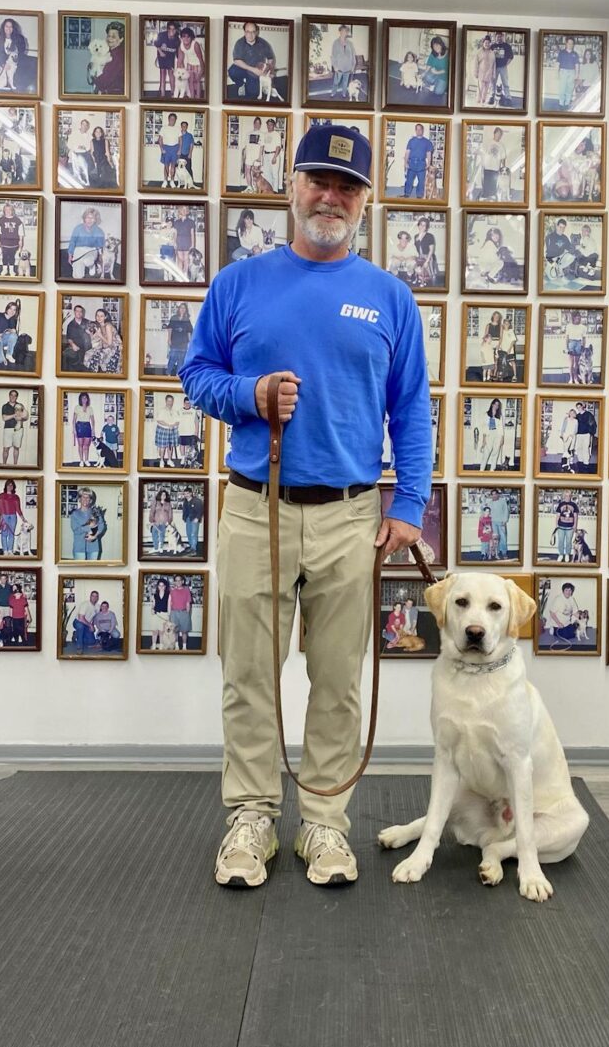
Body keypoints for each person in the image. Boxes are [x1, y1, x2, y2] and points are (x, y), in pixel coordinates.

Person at [179, 123, 430, 889]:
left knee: (337, 678)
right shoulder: (238, 284)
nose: (332, 196)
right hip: (256, 507)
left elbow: (411, 409)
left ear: (365, 201)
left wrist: (410, 503)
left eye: (348, 186)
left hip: (352, 513)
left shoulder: (390, 297)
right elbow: (195, 375)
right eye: (319, 180)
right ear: (292, 186)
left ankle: (324, 824)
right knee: (248, 671)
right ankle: (250, 818)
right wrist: (248, 395)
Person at [228, 21, 275, 101]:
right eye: (248, 32)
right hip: (243, 68)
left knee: (254, 93)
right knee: (232, 71)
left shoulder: (263, 43)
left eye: (253, 32)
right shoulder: (239, 43)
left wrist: (270, 71)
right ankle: (241, 84)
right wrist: (253, 69)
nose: (250, 35)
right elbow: (236, 61)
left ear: (256, 32)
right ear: (244, 32)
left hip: (256, 71)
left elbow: (271, 58)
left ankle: (262, 86)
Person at [66, 207, 105, 280]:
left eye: (92, 218)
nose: (89, 220)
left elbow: (100, 247)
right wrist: (70, 255)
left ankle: (92, 266)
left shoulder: (99, 231)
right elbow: (72, 242)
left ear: (96, 219)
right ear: (84, 218)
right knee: (77, 273)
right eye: (88, 217)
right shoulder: (78, 228)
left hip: (92, 250)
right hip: (79, 250)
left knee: (88, 261)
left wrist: (100, 261)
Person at [70, 486, 107, 561]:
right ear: (79, 499)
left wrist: (95, 536)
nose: (85, 499)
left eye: (88, 497)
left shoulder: (95, 512)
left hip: (94, 547)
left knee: (92, 570)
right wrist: (90, 527)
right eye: (83, 497)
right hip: (79, 547)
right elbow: (76, 530)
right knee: (79, 570)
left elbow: (102, 525)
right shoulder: (74, 514)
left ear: (90, 500)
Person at [0, 18, 32, 93]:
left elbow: (21, 53)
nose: (8, 28)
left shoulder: (19, 38)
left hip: (16, 63)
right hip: (1, 64)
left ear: (14, 28)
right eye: (6, 26)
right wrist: (3, 64)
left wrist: (14, 63)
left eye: (11, 26)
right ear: (3, 27)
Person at [92, 21, 125, 96]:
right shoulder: (109, 51)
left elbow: (105, 80)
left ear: (121, 39)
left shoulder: (118, 55)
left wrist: (94, 79)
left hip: (112, 95)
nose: (109, 39)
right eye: (108, 36)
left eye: (113, 37)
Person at [84, 308, 122, 374]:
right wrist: (90, 334)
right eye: (97, 315)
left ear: (105, 317)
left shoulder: (108, 326)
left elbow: (110, 343)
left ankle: (96, 374)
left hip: (115, 348)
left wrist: (100, 335)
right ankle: (93, 374)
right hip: (105, 347)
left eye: (101, 316)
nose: (99, 318)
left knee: (96, 356)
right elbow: (94, 339)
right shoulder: (98, 325)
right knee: (88, 354)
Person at [402, 123, 433, 199]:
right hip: (411, 163)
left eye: (420, 129)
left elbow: (429, 154)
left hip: (421, 164)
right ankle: (406, 194)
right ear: (415, 130)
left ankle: (419, 196)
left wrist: (428, 164)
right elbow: (407, 152)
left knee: (421, 182)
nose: (419, 131)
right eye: (417, 129)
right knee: (409, 180)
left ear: (423, 130)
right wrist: (405, 163)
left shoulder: (427, 142)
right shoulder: (411, 141)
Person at [177, 26, 205, 100]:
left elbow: (201, 59)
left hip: (198, 63)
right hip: (189, 64)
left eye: (188, 37)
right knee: (190, 81)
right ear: (181, 38)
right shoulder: (181, 46)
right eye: (184, 37)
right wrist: (179, 74)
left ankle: (198, 98)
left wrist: (202, 70)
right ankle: (192, 97)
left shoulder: (195, 45)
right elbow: (180, 61)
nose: (186, 39)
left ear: (191, 37)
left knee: (197, 80)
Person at [0, 201, 24, 277]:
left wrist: (20, 240)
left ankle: (12, 270)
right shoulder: (1, 220)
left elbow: (20, 232)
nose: (8, 211)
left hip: (14, 242)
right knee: (5, 256)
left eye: (9, 210)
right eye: (6, 210)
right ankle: (4, 269)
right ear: (4, 211)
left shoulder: (17, 220)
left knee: (12, 256)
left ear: (12, 211)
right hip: (4, 242)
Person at [166, 302, 193, 376]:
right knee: (172, 359)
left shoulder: (187, 319)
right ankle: (168, 374)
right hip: (174, 342)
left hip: (183, 343)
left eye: (184, 308)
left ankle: (178, 375)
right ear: (179, 309)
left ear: (186, 310)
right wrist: (169, 339)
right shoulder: (174, 317)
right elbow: (170, 328)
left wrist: (189, 341)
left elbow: (189, 331)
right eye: (181, 308)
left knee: (181, 361)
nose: (182, 309)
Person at [0, 388, 26, 466]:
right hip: (7, 429)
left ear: (16, 397)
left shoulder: (20, 406)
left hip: (18, 429)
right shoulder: (5, 406)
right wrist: (14, 415)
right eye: (11, 395)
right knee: (5, 448)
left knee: (16, 448)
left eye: (15, 396)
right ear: (9, 396)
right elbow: (4, 418)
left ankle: (15, 465)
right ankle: (4, 465)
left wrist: (22, 418)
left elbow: (25, 417)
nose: (13, 397)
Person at [0, 478, 23, 555]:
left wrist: (23, 519)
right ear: (6, 486)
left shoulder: (16, 497)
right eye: (8, 485)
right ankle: (5, 550)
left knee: (11, 534)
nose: (10, 486)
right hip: (4, 516)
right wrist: (0, 516)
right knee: (4, 534)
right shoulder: (2, 495)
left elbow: (18, 509)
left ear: (13, 487)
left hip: (13, 517)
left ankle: (10, 550)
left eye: (11, 485)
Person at [154, 20, 180, 98]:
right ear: (167, 29)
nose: (172, 31)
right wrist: (160, 52)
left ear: (176, 30)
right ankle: (162, 93)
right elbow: (156, 44)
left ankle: (173, 93)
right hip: (162, 55)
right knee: (162, 73)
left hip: (170, 57)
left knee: (171, 74)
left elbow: (178, 52)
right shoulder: (162, 35)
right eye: (170, 29)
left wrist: (179, 62)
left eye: (174, 29)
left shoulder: (177, 39)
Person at [330, 25, 356, 99]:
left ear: (347, 33)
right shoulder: (335, 42)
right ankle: (333, 92)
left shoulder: (350, 43)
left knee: (345, 82)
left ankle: (344, 93)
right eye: (342, 31)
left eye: (345, 31)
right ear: (340, 32)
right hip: (339, 66)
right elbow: (333, 55)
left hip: (348, 66)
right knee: (336, 82)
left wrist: (353, 66)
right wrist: (335, 66)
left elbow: (353, 55)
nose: (344, 32)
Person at [154, 393, 180, 468]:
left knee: (170, 446)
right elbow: (159, 420)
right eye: (168, 401)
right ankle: (161, 460)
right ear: (166, 401)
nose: (170, 403)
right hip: (163, 430)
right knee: (162, 447)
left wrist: (173, 425)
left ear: (173, 402)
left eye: (171, 401)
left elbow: (178, 421)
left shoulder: (174, 411)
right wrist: (168, 425)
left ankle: (169, 460)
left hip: (172, 430)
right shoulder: (162, 410)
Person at [168, 573, 193, 650]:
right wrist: (169, 614)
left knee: (184, 631)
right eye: (176, 581)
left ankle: (184, 647)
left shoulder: (186, 590)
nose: (178, 582)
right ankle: (177, 646)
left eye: (179, 580)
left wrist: (187, 614)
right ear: (174, 582)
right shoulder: (172, 591)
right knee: (175, 631)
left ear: (182, 581)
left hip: (184, 612)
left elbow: (188, 603)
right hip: (174, 613)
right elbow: (169, 603)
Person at [66, 117, 93, 187]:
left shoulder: (89, 135)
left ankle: (83, 182)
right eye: (83, 124)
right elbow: (69, 144)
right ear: (80, 125)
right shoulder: (73, 133)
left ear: (88, 127)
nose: (84, 126)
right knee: (74, 172)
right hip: (74, 153)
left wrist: (85, 148)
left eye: (86, 125)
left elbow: (90, 146)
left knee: (86, 169)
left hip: (84, 154)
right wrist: (77, 147)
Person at [553, 489, 579, 562]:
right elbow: (557, 515)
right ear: (564, 496)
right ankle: (561, 554)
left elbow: (575, 516)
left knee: (568, 542)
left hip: (570, 527)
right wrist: (556, 525)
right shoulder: (561, 504)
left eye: (569, 496)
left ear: (571, 496)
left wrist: (575, 526)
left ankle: (567, 554)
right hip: (561, 526)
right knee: (560, 541)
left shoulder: (574, 505)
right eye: (566, 495)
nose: (568, 497)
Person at [71, 391, 95, 467]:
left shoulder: (90, 408)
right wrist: (74, 429)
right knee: (80, 445)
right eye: (82, 398)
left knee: (86, 445)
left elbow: (93, 420)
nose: (84, 399)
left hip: (87, 426)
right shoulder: (77, 407)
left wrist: (93, 430)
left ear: (87, 399)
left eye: (85, 398)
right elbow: (74, 420)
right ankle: (81, 461)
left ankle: (86, 460)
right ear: (80, 399)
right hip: (79, 426)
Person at [72, 588, 99, 653]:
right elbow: (81, 618)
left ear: (97, 598)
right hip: (78, 622)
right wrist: (90, 625)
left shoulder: (98, 606)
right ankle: (79, 647)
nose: (94, 597)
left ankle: (76, 634)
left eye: (96, 596)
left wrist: (92, 625)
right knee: (80, 626)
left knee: (91, 642)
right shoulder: (85, 604)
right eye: (93, 596)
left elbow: (94, 617)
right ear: (90, 596)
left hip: (87, 624)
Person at [158, 112, 181, 188]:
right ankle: (165, 181)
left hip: (175, 148)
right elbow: (160, 139)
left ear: (175, 120)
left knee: (173, 166)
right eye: (171, 119)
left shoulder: (177, 129)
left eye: (174, 119)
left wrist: (179, 150)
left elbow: (180, 140)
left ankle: (172, 181)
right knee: (166, 166)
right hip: (166, 148)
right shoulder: (164, 128)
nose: (172, 120)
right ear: (168, 119)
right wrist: (162, 149)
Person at [491, 31, 514, 106]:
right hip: (494, 67)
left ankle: (508, 98)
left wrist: (505, 64)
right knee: (493, 82)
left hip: (503, 67)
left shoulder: (506, 46)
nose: (499, 38)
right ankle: (492, 96)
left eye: (500, 36)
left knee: (505, 83)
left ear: (502, 37)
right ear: (495, 37)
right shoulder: (492, 46)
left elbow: (511, 56)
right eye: (498, 36)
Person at [173, 204, 196, 279]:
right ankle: (180, 275)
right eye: (182, 209)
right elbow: (175, 233)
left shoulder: (191, 222)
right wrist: (174, 242)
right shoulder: (176, 222)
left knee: (186, 259)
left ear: (187, 211)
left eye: (186, 209)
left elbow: (192, 234)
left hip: (187, 241)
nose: (184, 210)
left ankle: (185, 274)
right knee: (180, 259)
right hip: (179, 241)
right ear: (180, 211)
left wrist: (192, 244)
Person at [480, 398, 502, 471]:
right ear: (492, 404)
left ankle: (492, 471)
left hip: (498, 435)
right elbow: (484, 428)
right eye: (495, 404)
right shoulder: (486, 414)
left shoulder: (499, 416)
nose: (496, 406)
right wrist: (484, 440)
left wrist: (502, 439)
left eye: (497, 405)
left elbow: (501, 428)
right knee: (486, 454)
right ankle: (481, 470)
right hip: (489, 435)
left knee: (495, 454)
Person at [557, 37, 579, 110]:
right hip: (563, 71)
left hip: (572, 72)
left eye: (572, 43)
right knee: (562, 89)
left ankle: (566, 104)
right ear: (566, 43)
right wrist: (557, 73)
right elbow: (558, 63)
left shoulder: (575, 54)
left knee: (569, 89)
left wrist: (576, 75)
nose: (570, 45)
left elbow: (577, 65)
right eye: (569, 43)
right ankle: (561, 104)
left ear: (573, 45)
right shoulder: (561, 52)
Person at [177, 395, 200, 466]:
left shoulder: (193, 411)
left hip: (190, 432)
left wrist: (196, 432)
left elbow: (196, 422)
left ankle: (187, 459)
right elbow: (176, 422)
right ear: (183, 403)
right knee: (182, 445)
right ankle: (183, 458)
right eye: (186, 403)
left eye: (188, 403)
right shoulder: (179, 411)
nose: (187, 404)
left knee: (188, 446)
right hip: (182, 432)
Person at [149, 488, 173, 554]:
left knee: (162, 535)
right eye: (162, 495)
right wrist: (151, 521)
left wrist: (169, 522)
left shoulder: (168, 504)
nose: (163, 496)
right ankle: (156, 548)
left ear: (166, 496)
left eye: (164, 495)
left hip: (164, 522)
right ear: (159, 495)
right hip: (156, 522)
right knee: (154, 535)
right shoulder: (156, 503)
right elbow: (152, 511)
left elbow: (170, 513)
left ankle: (161, 548)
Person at [574, 400, 597, 472]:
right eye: (577, 407)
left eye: (579, 407)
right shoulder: (577, 416)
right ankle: (580, 461)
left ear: (582, 407)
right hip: (579, 435)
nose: (579, 408)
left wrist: (591, 432)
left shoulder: (588, 414)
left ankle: (586, 463)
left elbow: (593, 424)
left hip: (586, 434)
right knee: (579, 448)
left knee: (585, 448)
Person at [565, 310, 586, 385]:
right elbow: (567, 337)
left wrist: (583, 347)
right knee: (571, 363)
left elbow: (584, 338)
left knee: (576, 364)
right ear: (573, 318)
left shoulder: (583, 327)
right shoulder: (569, 326)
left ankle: (576, 378)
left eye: (579, 317)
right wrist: (566, 347)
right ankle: (571, 378)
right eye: (577, 317)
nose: (578, 318)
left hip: (578, 343)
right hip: (571, 343)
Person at [261, 119, 282, 192]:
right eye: (268, 124)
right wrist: (262, 156)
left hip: (273, 155)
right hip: (266, 155)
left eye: (271, 124)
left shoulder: (276, 134)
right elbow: (262, 146)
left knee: (274, 174)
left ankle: (275, 191)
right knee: (267, 174)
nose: (269, 126)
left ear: (274, 125)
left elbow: (278, 147)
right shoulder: (265, 134)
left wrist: (275, 157)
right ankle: (269, 190)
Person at [181, 485, 203, 554]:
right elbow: (184, 510)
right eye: (185, 494)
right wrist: (184, 518)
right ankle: (191, 547)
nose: (186, 495)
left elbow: (201, 510)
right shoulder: (185, 501)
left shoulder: (197, 501)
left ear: (191, 493)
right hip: (188, 519)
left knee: (193, 534)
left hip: (194, 519)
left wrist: (197, 518)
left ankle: (194, 549)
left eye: (187, 493)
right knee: (189, 533)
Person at [488, 488, 509, 559]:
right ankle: (496, 552)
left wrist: (505, 520)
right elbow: (487, 512)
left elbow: (506, 511)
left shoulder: (503, 501)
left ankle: (504, 552)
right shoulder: (490, 503)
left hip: (501, 522)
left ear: (498, 495)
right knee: (495, 539)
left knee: (503, 538)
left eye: (495, 494)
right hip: (493, 522)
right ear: (491, 496)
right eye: (492, 495)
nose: (494, 496)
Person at [242, 120, 263, 191]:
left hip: (256, 156)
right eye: (256, 123)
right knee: (247, 170)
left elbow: (262, 146)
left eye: (258, 123)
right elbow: (246, 146)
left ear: (260, 125)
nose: (257, 124)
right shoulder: (248, 133)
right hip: (249, 156)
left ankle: (255, 187)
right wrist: (244, 155)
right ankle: (249, 187)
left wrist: (260, 157)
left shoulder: (262, 134)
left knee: (255, 172)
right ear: (253, 123)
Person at [0, 298, 19, 366]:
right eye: (10, 309)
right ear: (7, 309)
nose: (12, 311)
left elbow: (9, 330)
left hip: (2, 339)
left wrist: (12, 330)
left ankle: (9, 354)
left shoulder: (12, 319)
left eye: (14, 310)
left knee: (14, 335)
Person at [474, 36, 496, 106]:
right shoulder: (479, 52)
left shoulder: (492, 53)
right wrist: (475, 72)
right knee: (480, 89)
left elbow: (494, 64)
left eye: (488, 43)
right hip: (481, 74)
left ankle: (483, 102)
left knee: (486, 90)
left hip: (489, 74)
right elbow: (475, 63)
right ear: (483, 43)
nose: (487, 44)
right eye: (486, 43)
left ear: (490, 44)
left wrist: (494, 74)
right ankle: (478, 102)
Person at [150, 576, 171, 648]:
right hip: (156, 615)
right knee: (154, 631)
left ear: (165, 586)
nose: (161, 587)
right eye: (159, 585)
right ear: (158, 586)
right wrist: (152, 609)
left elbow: (169, 606)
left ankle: (161, 646)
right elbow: (153, 605)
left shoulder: (169, 595)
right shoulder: (155, 595)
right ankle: (154, 645)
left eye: (163, 585)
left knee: (162, 632)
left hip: (164, 615)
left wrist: (169, 616)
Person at [480, 310, 501, 380]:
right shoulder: (488, 325)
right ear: (493, 316)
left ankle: (494, 374)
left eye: (498, 316)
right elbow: (485, 335)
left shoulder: (501, 326)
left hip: (497, 343)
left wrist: (499, 345)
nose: (496, 318)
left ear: (499, 318)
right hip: (490, 343)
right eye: (495, 316)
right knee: (490, 358)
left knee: (496, 360)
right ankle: (490, 374)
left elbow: (501, 337)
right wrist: (483, 343)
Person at [8, 580, 30, 644]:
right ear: (14, 594)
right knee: (14, 627)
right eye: (16, 593)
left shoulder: (23, 599)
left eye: (19, 593)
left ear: (21, 593)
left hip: (21, 616)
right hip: (14, 617)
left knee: (21, 628)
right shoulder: (12, 599)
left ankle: (20, 636)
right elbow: (10, 609)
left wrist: (28, 616)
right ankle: (14, 636)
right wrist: (10, 617)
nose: (17, 594)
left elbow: (26, 608)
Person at [559, 408, 578, 473]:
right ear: (569, 413)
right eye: (571, 413)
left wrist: (573, 434)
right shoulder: (566, 419)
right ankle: (564, 464)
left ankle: (568, 463)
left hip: (572, 436)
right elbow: (563, 427)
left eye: (573, 413)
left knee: (571, 450)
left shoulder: (576, 421)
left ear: (574, 414)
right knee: (565, 450)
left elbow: (576, 429)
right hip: (566, 435)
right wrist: (561, 434)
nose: (572, 414)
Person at [177, 120, 196, 185]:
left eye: (185, 126)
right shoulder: (178, 134)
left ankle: (191, 183)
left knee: (188, 168)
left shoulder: (190, 135)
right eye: (183, 126)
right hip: (179, 154)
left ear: (187, 127)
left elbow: (191, 145)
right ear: (181, 127)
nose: (184, 127)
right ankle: (181, 182)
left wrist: (190, 153)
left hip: (187, 154)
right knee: (178, 169)